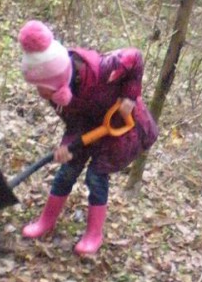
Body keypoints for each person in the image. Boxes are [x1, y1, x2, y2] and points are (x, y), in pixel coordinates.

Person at [17, 20, 158, 257]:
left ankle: (94, 234)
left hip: (124, 128)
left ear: (57, 81)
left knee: (96, 176)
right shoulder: (57, 94)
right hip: (90, 127)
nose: (39, 93)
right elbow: (74, 122)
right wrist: (66, 146)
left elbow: (135, 57)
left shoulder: (103, 68)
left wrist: (129, 97)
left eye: (41, 87)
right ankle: (46, 221)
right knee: (67, 169)